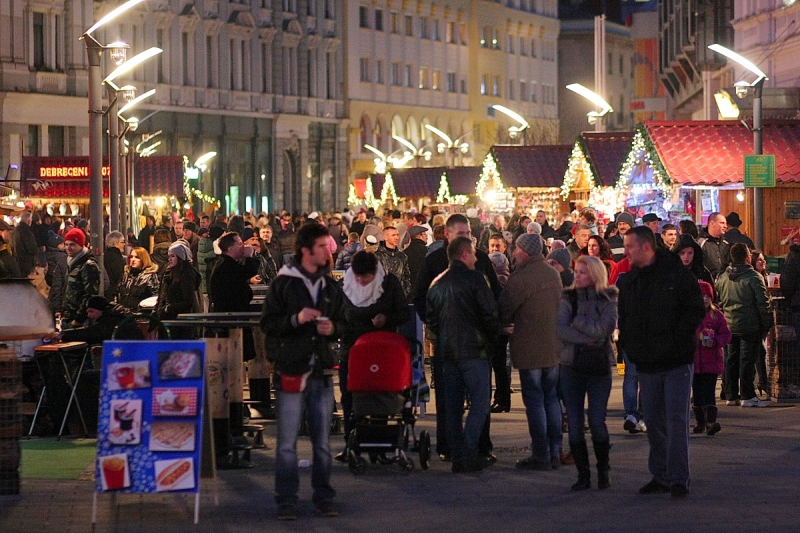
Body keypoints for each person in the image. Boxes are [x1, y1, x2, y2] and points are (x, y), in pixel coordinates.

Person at [260, 223, 345, 520]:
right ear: (306, 251)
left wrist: (332, 328)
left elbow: (343, 321)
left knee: (322, 443)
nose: (328, 250)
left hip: (320, 370)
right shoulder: (285, 283)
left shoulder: (329, 286)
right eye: (322, 246)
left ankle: (324, 497)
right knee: (286, 444)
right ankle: (286, 499)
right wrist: (296, 319)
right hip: (292, 370)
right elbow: (268, 325)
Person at [617, 226, 705, 497]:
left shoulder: (676, 275)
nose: (626, 251)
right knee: (653, 420)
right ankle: (661, 474)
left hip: (676, 360)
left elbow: (694, 311)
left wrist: (677, 341)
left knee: (676, 419)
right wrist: (630, 346)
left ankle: (679, 478)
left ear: (645, 247)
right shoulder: (631, 281)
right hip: (646, 362)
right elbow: (626, 317)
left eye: (630, 246)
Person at [414, 214, 501, 462]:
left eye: (468, 234)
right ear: (448, 235)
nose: (466, 239)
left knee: (477, 399)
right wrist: (437, 327)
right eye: (461, 234)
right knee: (451, 400)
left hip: (470, 343)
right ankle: (450, 446)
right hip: (452, 344)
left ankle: (480, 446)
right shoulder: (434, 262)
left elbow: (494, 295)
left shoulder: (481, 259)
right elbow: (421, 298)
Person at [336, 251, 410, 461]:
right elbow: (337, 317)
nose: (361, 281)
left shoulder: (389, 284)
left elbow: (403, 313)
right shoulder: (345, 287)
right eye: (358, 277)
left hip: (381, 351)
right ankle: (352, 444)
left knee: (380, 397)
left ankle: (380, 445)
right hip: (352, 352)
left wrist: (385, 318)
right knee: (350, 397)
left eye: (366, 277)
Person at [498, 233, 563, 471]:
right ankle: (555, 451)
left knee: (535, 401)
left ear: (525, 251)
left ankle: (541, 453)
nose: (514, 253)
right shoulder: (553, 274)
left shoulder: (520, 278)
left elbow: (504, 309)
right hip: (554, 346)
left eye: (516, 249)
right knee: (552, 399)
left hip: (530, 347)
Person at [556, 256, 617, 490]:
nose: (577, 275)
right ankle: (583, 475)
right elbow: (560, 328)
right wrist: (590, 337)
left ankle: (603, 470)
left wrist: (578, 321)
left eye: (582, 272)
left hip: (599, 366)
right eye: (576, 271)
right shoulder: (568, 297)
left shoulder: (608, 297)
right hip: (571, 365)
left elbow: (606, 328)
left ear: (594, 273)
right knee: (574, 419)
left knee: (597, 419)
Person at [715, 243, 772, 408]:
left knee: (731, 360)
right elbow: (763, 303)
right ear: (747, 257)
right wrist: (766, 323)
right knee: (747, 361)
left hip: (729, 324)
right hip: (749, 325)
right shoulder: (754, 277)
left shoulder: (723, 277)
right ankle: (748, 394)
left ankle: (731, 395)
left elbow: (720, 300)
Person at [692, 281, 732, 435]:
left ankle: (711, 422)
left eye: (708, 296)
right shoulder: (691, 315)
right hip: (695, 362)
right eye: (702, 296)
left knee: (709, 392)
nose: (705, 299)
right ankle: (700, 422)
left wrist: (716, 341)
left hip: (712, 362)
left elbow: (727, 334)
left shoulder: (717, 315)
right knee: (697, 393)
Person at [154, 241, 201, 338]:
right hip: (168, 319)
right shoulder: (170, 272)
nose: (169, 259)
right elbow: (162, 295)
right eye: (169, 256)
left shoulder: (186, 274)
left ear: (180, 257)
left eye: (172, 256)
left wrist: (169, 308)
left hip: (180, 322)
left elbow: (188, 300)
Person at [62, 228, 101, 328]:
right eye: (66, 244)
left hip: (80, 321)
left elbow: (90, 294)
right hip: (69, 316)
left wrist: (79, 319)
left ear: (81, 245)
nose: (68, 247)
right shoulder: (71, 262)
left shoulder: (87, 265)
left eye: (72, 244)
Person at [750, 249, 771, 396]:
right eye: (759, 260)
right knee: (759, 352)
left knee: (761, 352)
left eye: (763, 259)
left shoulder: (766, 277)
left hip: (762, 321)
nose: (763, 262)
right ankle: (761, 382)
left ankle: (762, 382)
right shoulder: (755, 278)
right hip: (756, 320)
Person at [115, 247, 160, 313]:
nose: (133, 260)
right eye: (131, 257)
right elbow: (117, 292)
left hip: (141, 314)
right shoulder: (126, 274)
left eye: (137, 257)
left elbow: (154, 298)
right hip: (122, 314)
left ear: (143, 259)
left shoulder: (150, 276)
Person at [375, 226, 412, 298]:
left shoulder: (402, 256)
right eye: (393, 235)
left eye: (397, 235)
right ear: (385, 237)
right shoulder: (377, 256)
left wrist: (404, 293)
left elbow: (406, 277)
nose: (396, 238)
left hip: (399, 298)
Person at [697, 212, 731, 280]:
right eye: (722, 223)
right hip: (707, 284)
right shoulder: (701, 243)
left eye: (726, 223)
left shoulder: (726, 244)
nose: (725, 226)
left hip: (723, 284)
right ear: (712, 224)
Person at [45, 232, 68, 315]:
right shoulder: (61, 256)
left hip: (51, 279)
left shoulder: (50, 254)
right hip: (60, 291)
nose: (64, 246)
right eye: (62, 244)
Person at [12, 211, 38, 276]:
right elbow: (32, 249)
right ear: (29, 221)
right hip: (26, 263)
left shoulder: (15, 231)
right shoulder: (27, 232)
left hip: (16, 262)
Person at [104, 231, 127, 301]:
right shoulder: (117, 259)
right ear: (115, 244)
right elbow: (119, 277)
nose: (124, 244)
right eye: (122, 242)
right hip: (113, 294)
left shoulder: (105, 256)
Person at [404, 225, 428, 292]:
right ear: (418, 236)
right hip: (423, 289)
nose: (427, 237)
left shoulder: (404, 253)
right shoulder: (427, 251)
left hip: (409, 290)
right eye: (424, 234)